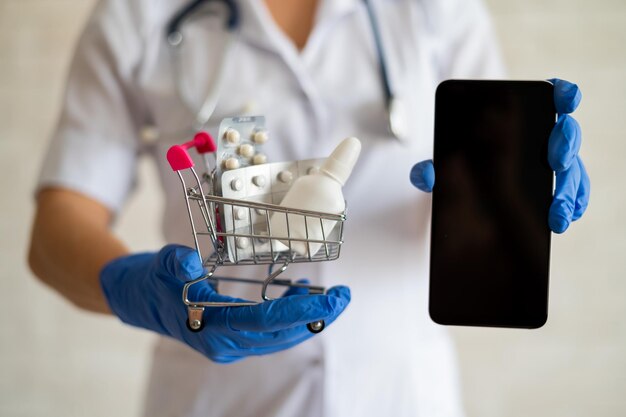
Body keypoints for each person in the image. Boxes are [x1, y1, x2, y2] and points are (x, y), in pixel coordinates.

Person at [28, 0, 589, 416]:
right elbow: (58, 229)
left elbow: (488, 179)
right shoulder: (138, 17)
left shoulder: (437, 11)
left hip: (400, 395)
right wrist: (136, 289)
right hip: (218, 397)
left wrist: (518, 185)